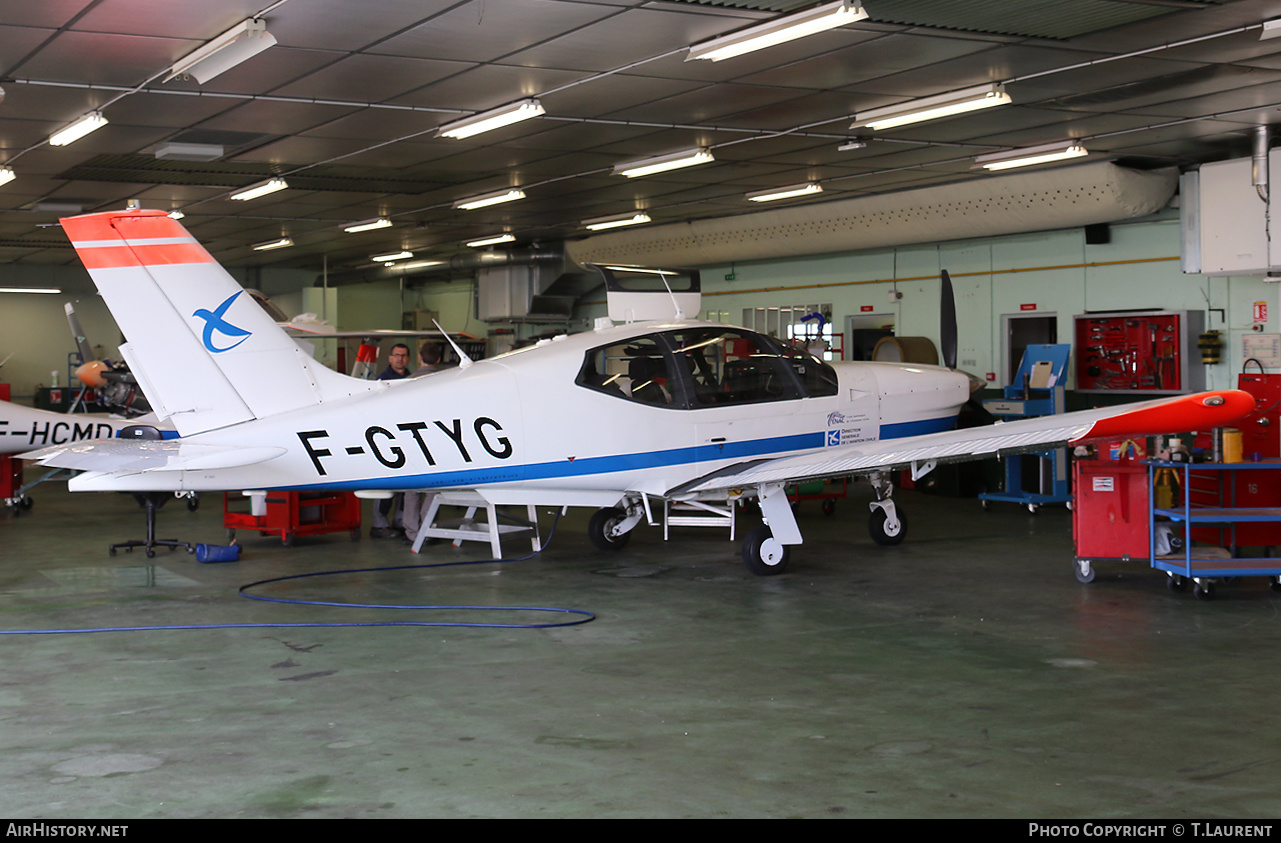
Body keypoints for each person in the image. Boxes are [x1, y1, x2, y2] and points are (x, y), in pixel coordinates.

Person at [402, 341, 448, 546]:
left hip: (411, 440)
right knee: (432, 489)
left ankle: (412, 531)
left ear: (419, 358)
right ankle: (428, 531)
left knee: (411, 490)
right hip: (436, 441)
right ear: (438, 359)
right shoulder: (445, 381)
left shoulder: (407, 382)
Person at [370, 343, 413, 537]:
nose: (400, 359)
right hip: (385, 438)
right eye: (396, 355)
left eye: (403, 356)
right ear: (390, 358)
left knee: (406, 487)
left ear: (408, 359)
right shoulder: (381, 381)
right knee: (386, 485)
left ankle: (399, 521)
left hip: (407, 437)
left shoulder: (414, 379)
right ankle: (379, 524)